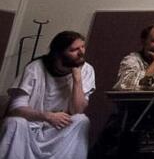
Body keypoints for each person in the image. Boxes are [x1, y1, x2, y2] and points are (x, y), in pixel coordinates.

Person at [91, 23, 154, 158]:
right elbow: (124, 87)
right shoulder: (130, 60)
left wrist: (143, 85)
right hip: (133, 114)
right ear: (143, 41)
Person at [0, 30, 93, 159]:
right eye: (74, 50)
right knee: (14, 122)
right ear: (58, 54)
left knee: (82, 120)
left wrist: (77, 79)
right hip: (31, 127)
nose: (81, 53)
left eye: (82, 47)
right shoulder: (35, 68)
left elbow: (77, 110)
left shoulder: (86, 69)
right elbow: (15, 109)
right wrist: (47, 116)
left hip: (58, 130)